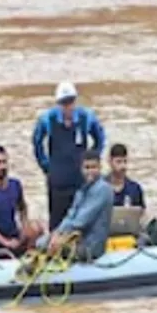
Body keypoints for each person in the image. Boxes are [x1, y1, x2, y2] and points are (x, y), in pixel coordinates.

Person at [32, 81, 106, 231]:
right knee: (57, 225)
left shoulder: (87, 117)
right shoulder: (48, 119)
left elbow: (100, 138)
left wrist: (92, 162)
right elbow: (37, 142)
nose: (68, 107)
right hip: (58, 182)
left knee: (82, 222)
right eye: (64, 103)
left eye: (71, 102)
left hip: (81, 182)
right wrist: (46, 167)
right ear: (58, 103)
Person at [38, 150, 114, 262]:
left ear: (100, 168)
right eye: (87, 168)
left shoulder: (103, 189)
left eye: (94, 167)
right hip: (76, 240)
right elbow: (70, 215)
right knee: (40, 242)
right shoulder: (82, 190)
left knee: (47, 245)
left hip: (90, 246)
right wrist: (57, 233)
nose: (90, 171)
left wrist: (60, 237)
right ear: (81, 169)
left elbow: (81, 221)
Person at [0, 145, 42, 256]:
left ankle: (29, 256)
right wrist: (6, 243)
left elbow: (23, 208)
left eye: (5, 162)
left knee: (37, 227)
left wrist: (24, 230)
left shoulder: (15, 185)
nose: (3, 166)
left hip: (15, 235)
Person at [107, 143, 146, 215]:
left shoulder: (135, 189)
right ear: (110, 162)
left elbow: (142, 215)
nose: (123, 166)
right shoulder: (99, 188)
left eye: (125, 161)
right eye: (118, 162)